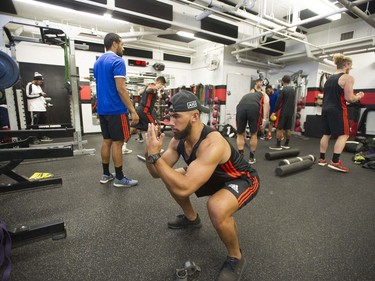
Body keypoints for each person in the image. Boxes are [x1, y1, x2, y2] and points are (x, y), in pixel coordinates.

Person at [145, 90, 260, 281]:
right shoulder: (178, 140)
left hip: (241, 179)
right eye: (169, 116)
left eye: (176, 117)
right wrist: (150, 151)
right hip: (210, 175)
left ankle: (236, 257)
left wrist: (155, 157)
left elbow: (184, 188)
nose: (170, 122)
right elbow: (157, 172)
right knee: (171, 176)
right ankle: (192, 219)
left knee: (216, 206)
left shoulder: (212, 143)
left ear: (195, 116)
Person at [94, 32, 139, 187]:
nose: (123, 48)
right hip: (115, 109)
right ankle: (119, 178)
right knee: (118, 143)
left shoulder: (98, 62)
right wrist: (133, 110)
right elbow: (121, 89)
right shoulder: (117, 61)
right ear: (114, 43)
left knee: (106, 141)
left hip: (102, 110)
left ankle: (106, 174)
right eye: (122, 44)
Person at [319, 53, 364, 173]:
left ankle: (322, 159)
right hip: (337, 109)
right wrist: (358, 96)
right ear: (347, 65)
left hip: (325, 109)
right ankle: (335, 162)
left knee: (326, 133)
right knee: (344, 135)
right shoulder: (348, 77)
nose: (351, 67)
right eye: (350, 65)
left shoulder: (330, 78)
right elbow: (350, 98)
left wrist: (345, 101)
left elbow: (337, 96)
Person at [236, 85, 270, 164]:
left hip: (240, 107)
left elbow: (239, 104)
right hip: (253, 108)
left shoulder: (247, 95)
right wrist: (264, 119)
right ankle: (251, 158)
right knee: (254, 133)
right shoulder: (264, 94)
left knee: (240, 134)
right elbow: (266, 104)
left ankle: (240, 158)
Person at [130, 76, 166, 144]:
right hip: (145, 111)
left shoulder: (149, 87)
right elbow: (148, 90)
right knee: (155, 127)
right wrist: (155, 87)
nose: (162, 86)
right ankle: (155, 145)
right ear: (159, 82)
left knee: (134, 127)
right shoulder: (152, 88)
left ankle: (123, 145)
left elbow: (140, 92)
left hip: (140, 110)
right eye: (162, 85)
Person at [269, 75, 296, 150]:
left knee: (279, 128)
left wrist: (274, 112)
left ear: (282, 81)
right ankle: (286, 144)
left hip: (283, 112)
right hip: (290, 113)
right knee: (288, 128)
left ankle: (278, 145)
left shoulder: (282, 90)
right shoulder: (293, 90)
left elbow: (278, 102)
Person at [25, 72, 52, 142]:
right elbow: (28, 96)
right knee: (34, 124)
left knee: (42, 124)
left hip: (42, 108)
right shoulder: (29, 85)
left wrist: (45, 104)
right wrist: (40, 94)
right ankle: (33, 138)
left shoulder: (39, 86)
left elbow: (41, 97)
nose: (41, 82)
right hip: (34, 108)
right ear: (36, 80)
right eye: (40, 81)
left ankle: (41, 136)